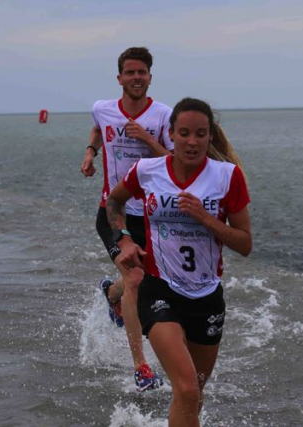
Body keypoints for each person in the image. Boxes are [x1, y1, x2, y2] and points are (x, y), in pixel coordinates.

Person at [106, 97, 252, 426]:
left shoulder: (228, 177)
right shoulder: (147, 170)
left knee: (193, 396)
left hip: (206, 298)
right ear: (170, 134)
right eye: (183, 133)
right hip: (161, 291)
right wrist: (124, 239)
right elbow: (113, 204)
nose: (191, 141)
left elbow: (245, 243)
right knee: (186, 389)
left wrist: (206, 219)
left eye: (200, 134)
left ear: (210, 136)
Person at [80, 47, 174, 391]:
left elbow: (176, 162)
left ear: (150, 77)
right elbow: (96, 129)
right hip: (113, 213)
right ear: (119, 78)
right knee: (136, 278)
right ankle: (142, 367)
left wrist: (148, 139)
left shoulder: (163, 116)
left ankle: (111, 293)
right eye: (130, 72)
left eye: (142, 72)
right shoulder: (102, 109)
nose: (137, 77)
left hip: (150, 216)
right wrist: (90, 152)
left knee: (146, 280)